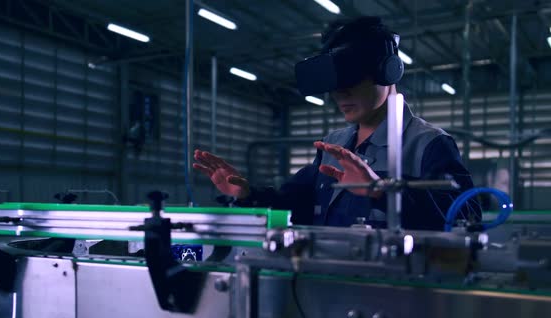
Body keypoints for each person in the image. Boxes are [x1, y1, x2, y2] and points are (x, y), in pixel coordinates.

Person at [193, 16, 480, 231]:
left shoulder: (428, 143)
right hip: (328, 282)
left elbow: (467, 216)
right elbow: (294, 200)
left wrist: (381, 191)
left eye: (351, 80)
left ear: (387, 72)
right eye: (333, 83)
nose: (340, 93)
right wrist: (248, 193)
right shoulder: (335, 144)